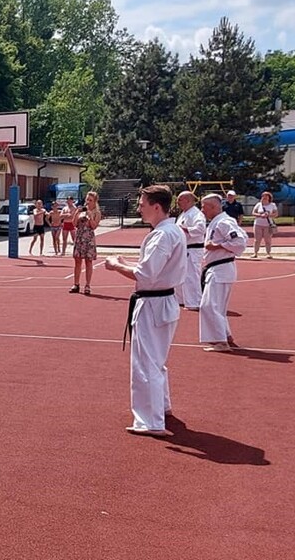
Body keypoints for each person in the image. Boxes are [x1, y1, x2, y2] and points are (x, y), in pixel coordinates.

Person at [103, 185, 186, 437]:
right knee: (156, 361)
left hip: (153, 303)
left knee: (146, 363)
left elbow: (146, 274)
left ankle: (150, 420)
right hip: (163, 300)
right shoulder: (173, 230)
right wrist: (127, 263)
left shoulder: (163, 235)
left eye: (142, 202)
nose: (139, 206)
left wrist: (117, 266)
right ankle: (161, 407)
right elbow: (152, 268)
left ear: (156, 206)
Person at [199, 193, 247, 352]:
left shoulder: (224, 222)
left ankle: (220, 341)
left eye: (203, 206)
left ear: (213, 206)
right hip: (217, 268)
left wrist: (217, 246)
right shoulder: (218, 221)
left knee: (209, 305)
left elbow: (240, 241)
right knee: (216, 306)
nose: (202, 210)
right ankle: (225, 336)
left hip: (221, 268)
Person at [176, 191, 206, 310]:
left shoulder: (196, 214)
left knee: (191, 275)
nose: (178, 202)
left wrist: (185, 230)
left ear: (188, 200)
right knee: (180, 275)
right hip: (183, 248)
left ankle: (195, 302)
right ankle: (181, 299)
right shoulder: (184, 214)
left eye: (180, 200)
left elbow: (200, 229)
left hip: (193, 249)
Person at [69, 191, 101, 295]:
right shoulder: (82, 210)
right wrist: (76, 213)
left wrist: (90, 216)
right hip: (79, 237)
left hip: (88, 239)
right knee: (77, 261)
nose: (88, 202)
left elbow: (94, 226)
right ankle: (76, 284)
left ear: (95, 201)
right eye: (87, 199)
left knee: (88, 261)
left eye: (90, 200)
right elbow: (74, 224)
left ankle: (87, 285)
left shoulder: (97, 212)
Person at [251, 191, 278, 259]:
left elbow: (276, 214)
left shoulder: (272, 205)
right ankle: (255, 253)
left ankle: (268, 253)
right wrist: (260, 215)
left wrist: (268, 215)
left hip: (268, 225)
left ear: (269, 198)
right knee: (257, 240)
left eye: (266, 196)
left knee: (268, 240)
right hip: (258, 224)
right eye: (263, 196)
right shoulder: (258, 204)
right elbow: (253, 213)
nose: (264, 198)